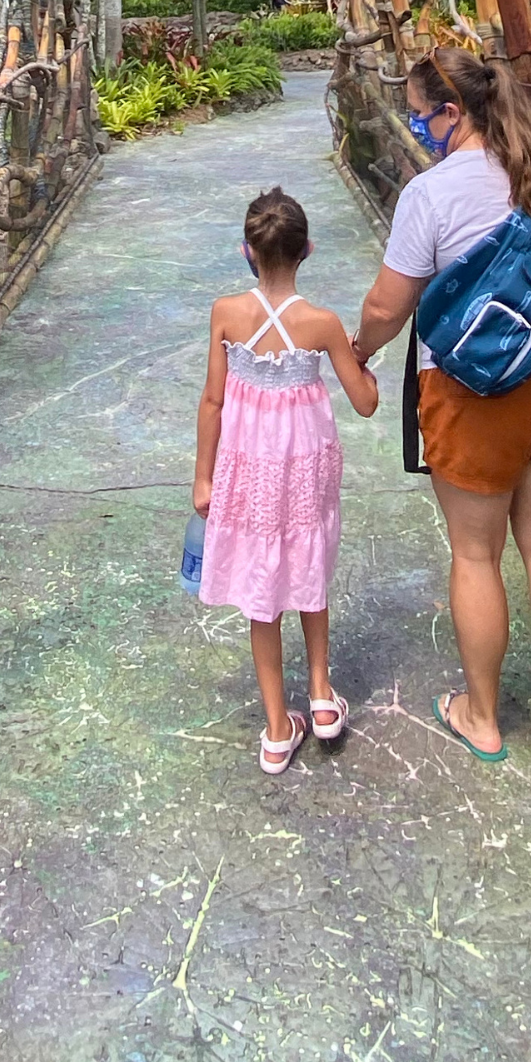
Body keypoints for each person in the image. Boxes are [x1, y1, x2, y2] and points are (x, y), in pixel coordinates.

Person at [350, 44, 531, 824]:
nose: (417, 129)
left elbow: (388, 305)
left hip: (472, 390)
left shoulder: (433, 194)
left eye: (419, 117)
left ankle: (481, 714)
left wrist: (360, 352)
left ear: (452, 113)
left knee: (476, 554)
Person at [191, 187, 380, 774]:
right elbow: (366, 403)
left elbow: (213, 400)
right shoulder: (322, 324)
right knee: (308, 565)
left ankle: (277, 729)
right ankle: (321, 695)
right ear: (308, 250)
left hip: (248, 470)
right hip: (304, 470)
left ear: (247, 251)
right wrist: (365, 364)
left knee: (262, 588)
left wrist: (203, 478)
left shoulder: (226, 314)